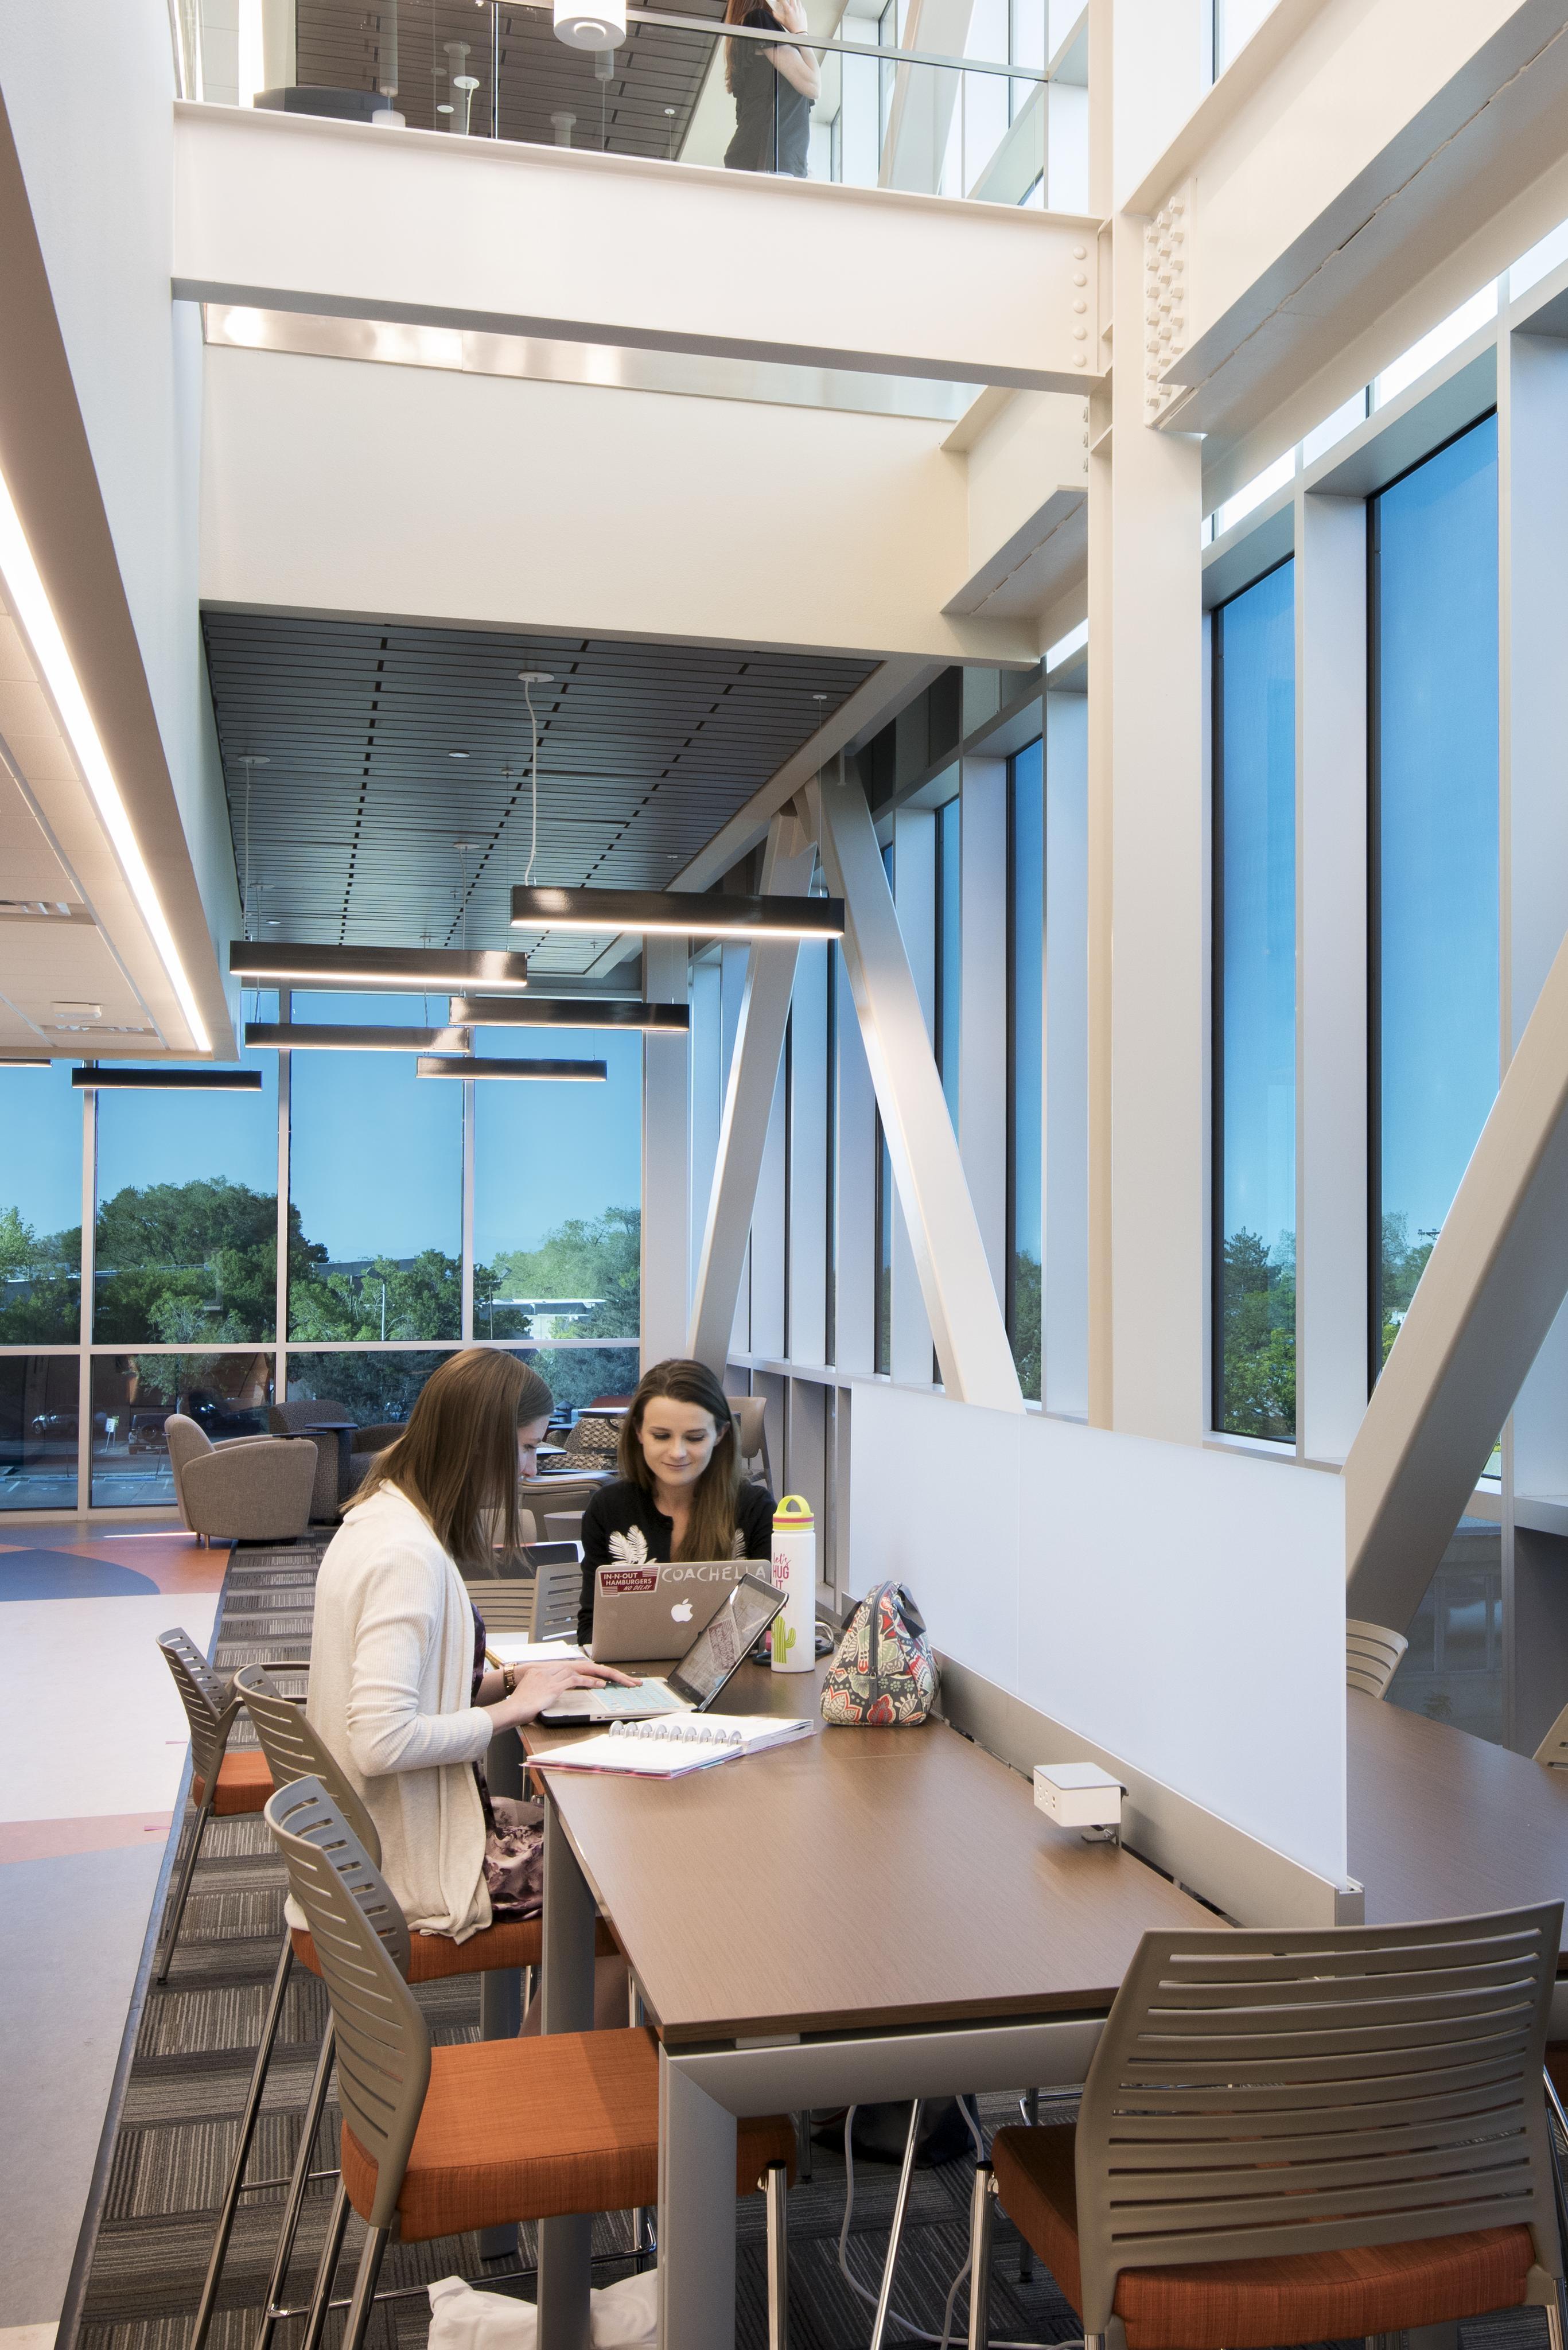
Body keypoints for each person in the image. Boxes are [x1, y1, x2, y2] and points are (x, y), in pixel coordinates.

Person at [304, 1348, 634, 1943]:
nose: (532, 1471)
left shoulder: (381, 1518)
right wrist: (512, 1710)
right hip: (408, 1859)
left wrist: (519, 1682)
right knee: (630, 1878)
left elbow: (416, 1693)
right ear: (482, 1442)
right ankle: (551, 2040)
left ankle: (542, 2036)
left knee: (603, 1834)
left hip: (378, 1835)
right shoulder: (405, 1557)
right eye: (529, 1448)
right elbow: (381, 1741)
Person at [577, 1358, 776, 1645]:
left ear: (720, 1434)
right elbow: (590, 1630)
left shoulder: (755, 1509)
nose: (677, 1452)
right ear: (638, 1432)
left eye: (695, 1438)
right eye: (661, 1436)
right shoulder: (608, 1508)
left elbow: (775, 1628)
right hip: (634, 1681)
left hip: (735, 1679)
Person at [722, 0, 819, 177]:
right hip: (768, 160)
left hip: (765, 159)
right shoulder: (759, 20)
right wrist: (801, 32)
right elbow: (812, 86)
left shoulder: (754, 26)